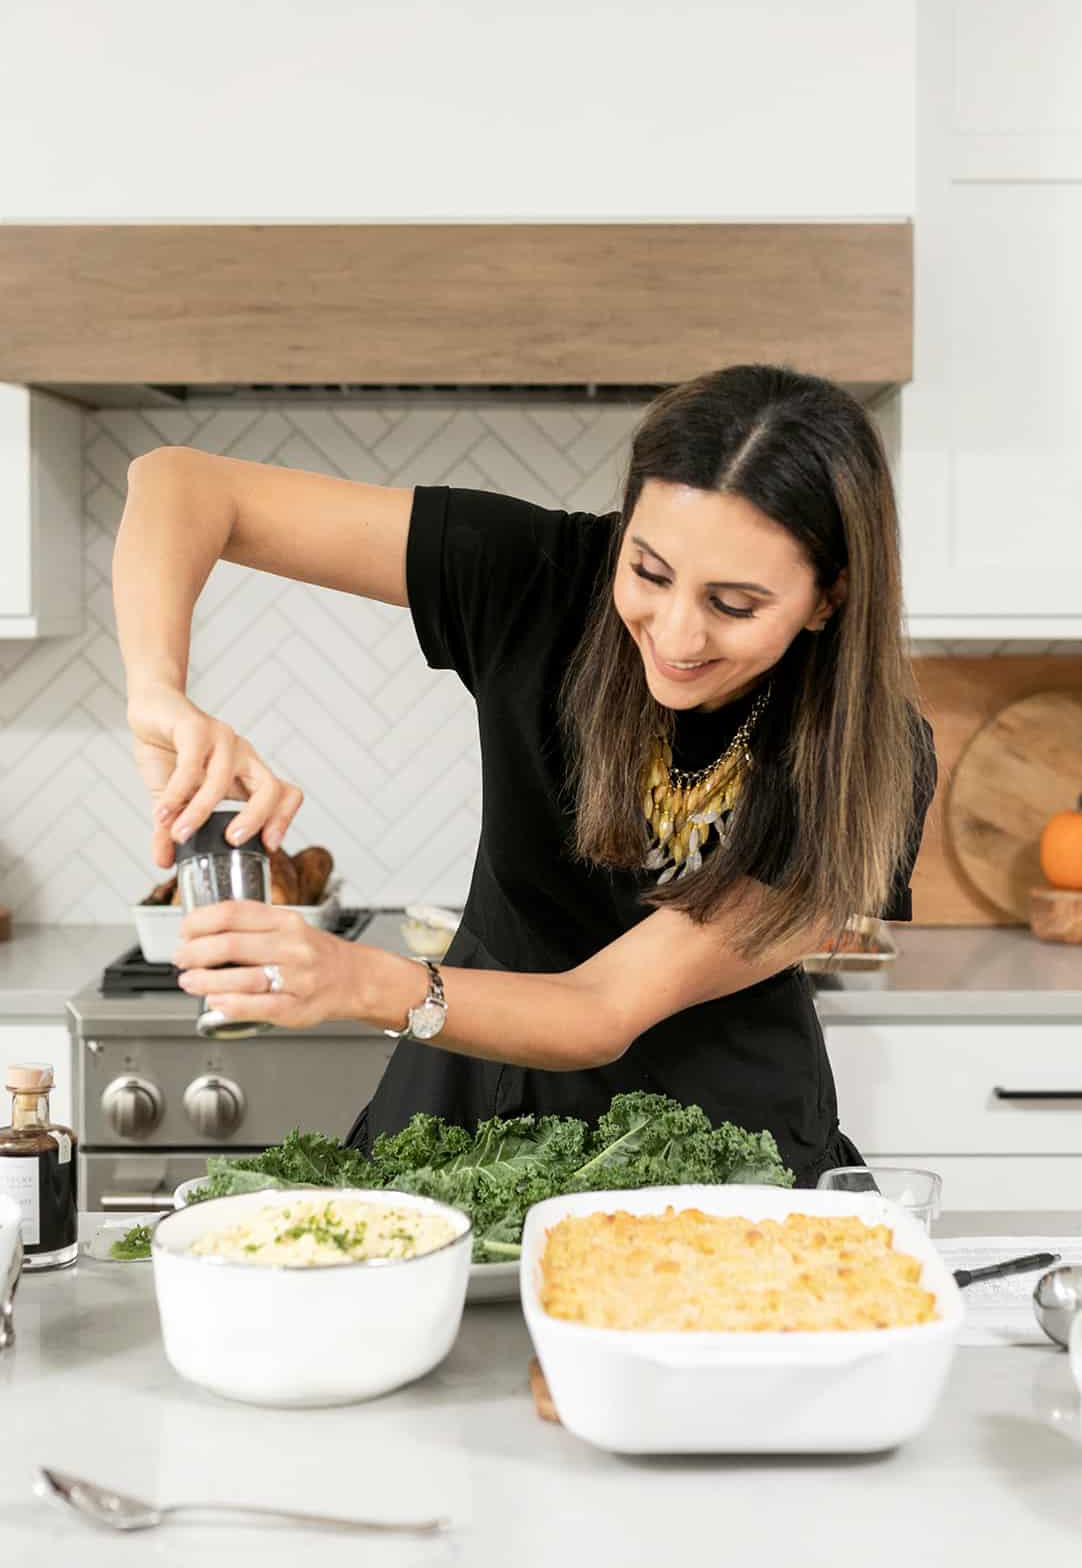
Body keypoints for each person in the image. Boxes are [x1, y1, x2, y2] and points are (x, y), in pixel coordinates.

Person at [114, 364, 936, 1181]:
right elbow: (180, 485)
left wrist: (357, 980)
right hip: (466, 1105)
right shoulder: (543, 578)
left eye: (735, 605)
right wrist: (158, 693)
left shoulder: (866, 764)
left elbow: (601, 1009)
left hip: (721, 1161)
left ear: (828, 599)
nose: (678, 636)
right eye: (648, 572)